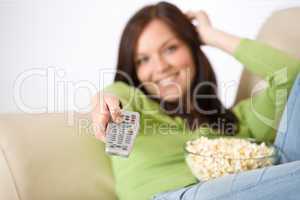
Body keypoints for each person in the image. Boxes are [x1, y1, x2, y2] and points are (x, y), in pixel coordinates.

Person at [91, 2, 300, 200]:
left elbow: (290, 75)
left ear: (192, 49)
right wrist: (105, 107)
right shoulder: (138, 108)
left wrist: (211, 36)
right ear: (135, 71)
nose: (160, 67)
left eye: (170, 48)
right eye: (143, 59)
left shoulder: (240, 121)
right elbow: (114, 97)